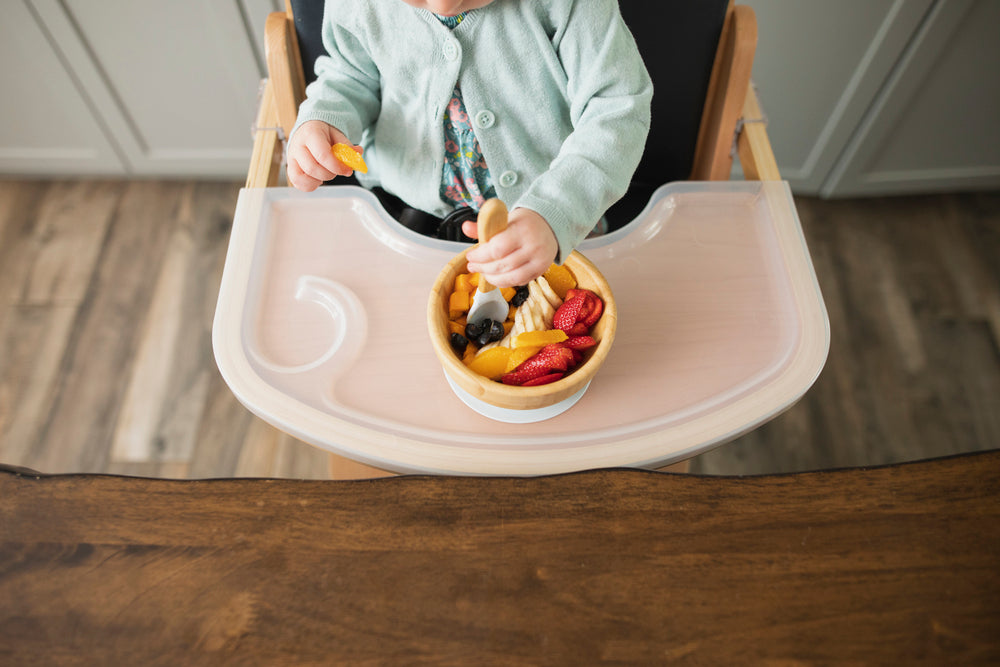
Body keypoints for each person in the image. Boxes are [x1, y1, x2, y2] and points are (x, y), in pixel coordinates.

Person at [286, 0, 652, 287]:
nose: (444, 4)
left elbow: (617, 108)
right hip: (409, 215)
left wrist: (556, 212)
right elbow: (350, 75)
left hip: (556, 220)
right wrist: (324, 117)